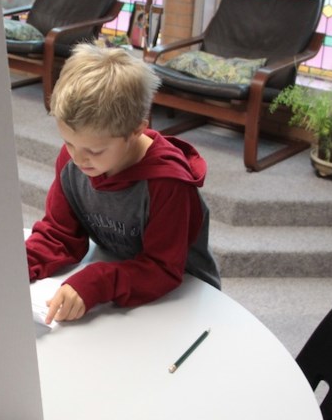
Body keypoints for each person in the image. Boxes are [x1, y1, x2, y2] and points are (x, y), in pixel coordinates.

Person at [26, 42, 220, 324]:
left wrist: (97, 282)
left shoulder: (167, 185)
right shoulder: (73, 162)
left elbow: (162, 269)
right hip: (125, 287)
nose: (79, 159)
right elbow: (59, 235)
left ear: (136, 130)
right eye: (69, 142)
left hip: (183, 300)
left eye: (95, 150)